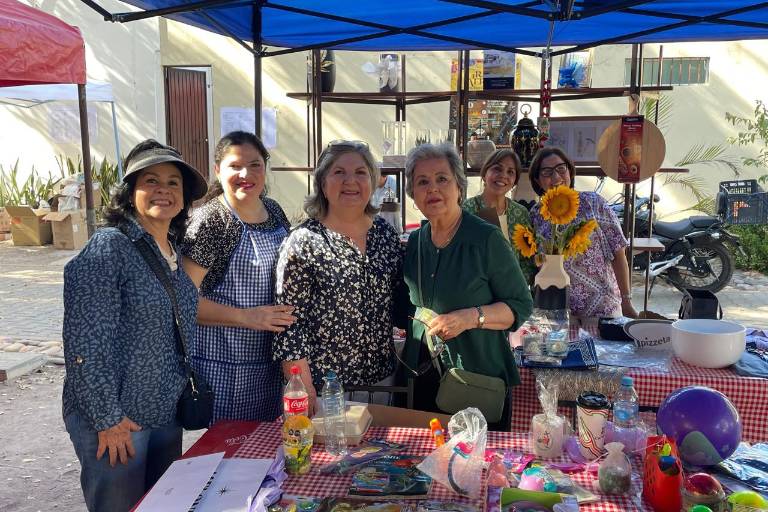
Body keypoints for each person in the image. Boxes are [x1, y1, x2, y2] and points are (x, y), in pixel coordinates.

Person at [62, 140, 208, 511]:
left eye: (174, 182)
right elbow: (84, 343)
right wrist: (108, 419)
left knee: (162, 506)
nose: (163, 190)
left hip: (163, 411)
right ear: (130, 193)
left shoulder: (171, 249)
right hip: (117, 419)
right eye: (151, 181)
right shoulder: (109, 247)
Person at [401, 143, 533, 430]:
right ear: (413, 194)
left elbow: (520, 306)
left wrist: (470, 318)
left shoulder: (486, 239)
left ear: (459, 187)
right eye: (422, 182)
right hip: (424, 375)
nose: (432, 188)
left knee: (479, 468)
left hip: (477, 380)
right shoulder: (415, 242)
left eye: (442, 179)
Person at [273, 140, 403, 415]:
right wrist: (303, 387)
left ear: (372, 181)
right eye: (339, 172)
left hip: (384, 383)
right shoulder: (303, 242)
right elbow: (289, 325)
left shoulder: (386, 235)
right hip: (326, 390)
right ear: (322, 183)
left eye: (360, 172)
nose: (350, 181)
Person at [181, 131, 294, 423]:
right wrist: (248, 317)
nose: (246, 174)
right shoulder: (212, 220)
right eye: (235, 166)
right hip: (223, 368)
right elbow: (182, 302)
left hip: (268, 366)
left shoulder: (273, 210)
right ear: (218, 171)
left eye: (255, 165)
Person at [528, 147, 639, 319]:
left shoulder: (593, 203)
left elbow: (618, 252)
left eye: (560, 168)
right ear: (537, 180)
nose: (556, 177)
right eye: (547, 172)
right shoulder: (536, 215)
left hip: (603, 309)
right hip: (558, 313)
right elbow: (536, 264)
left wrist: (626, 302)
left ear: (570, 172)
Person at [463, 148, 536, 283]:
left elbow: (527, 261)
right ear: (485, 174)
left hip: (512, 293)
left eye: (510, 172)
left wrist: (517, 289)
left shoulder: (520, 213)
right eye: (497, 169)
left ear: (514, 181)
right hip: (476, 292)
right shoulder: (467, 210)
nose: (503, 175)